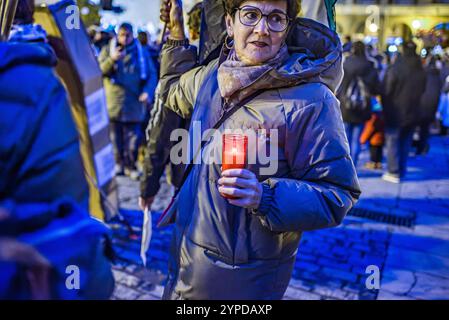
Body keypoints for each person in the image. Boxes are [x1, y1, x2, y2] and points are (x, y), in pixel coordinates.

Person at [154, 0, 360, 300]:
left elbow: (339, 193)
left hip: (243, 283)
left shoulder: (311, 100)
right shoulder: (213, 75)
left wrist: (266, 197)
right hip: (185, 264)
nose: (261, 29)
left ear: (287, 28)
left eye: (275, 18)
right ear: (229, 23)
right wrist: (176, 32)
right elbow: (172, 90)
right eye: (250, 15)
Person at [99, 22, 158, 179]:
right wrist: (112, 59)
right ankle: (118, 165)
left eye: (127, 35)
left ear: (132, 35)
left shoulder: (141, 53)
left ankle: (130, 165)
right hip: (114, 104)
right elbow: (98, 71)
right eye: (122, 35)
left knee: (133, 140)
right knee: (115, 140)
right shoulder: (107, 50)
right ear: (118, 35)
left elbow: (152, 75)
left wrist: (147, 92)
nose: (124, 39)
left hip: (134, 104)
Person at [381, 41, 427, 183]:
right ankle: (401, 168)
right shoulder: (420, 69)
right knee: (406, 142)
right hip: (413, 111)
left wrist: (385, 106)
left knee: (393, 140)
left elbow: (387, 90)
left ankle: (393, 171)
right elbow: (423, 90)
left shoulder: (396, 67)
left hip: (395, 111)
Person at [337, 41, 380, 167]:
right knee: (357, 139)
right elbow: (376, 88)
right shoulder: (370, 65)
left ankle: (344, 166)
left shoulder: (345, 63)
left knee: (345, 137)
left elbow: (338, 84)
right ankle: (353, 166)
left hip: (345, 105)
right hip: (363, 107)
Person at [416, 56, 442, 155]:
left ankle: (419, 147)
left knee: (418, 127)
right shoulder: (437, 77)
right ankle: (422, 147)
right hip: (430, 106)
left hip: (421, 104)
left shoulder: (422, 74)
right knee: (425, 128)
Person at [360, 98, 385, 170]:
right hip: (381, 138)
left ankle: (373, 163)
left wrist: (362, 139)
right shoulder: (382, 116)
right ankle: (378, 163)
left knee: (374, 151)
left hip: (374, 140)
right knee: (379, 151)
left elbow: (369, 129)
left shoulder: (373, 117)